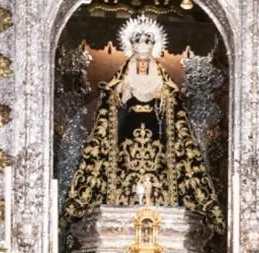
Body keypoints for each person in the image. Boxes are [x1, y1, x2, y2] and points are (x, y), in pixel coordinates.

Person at [62, 14, 225, 234]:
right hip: (123, 150)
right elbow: (108, 116)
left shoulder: (165, 86)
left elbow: (176, 119)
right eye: (138, 61)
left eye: (145, 61)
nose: (141, 65)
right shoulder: (119, 83)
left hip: (158, 153)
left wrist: (163, 98)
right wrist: (122, 96)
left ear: (153, 58)